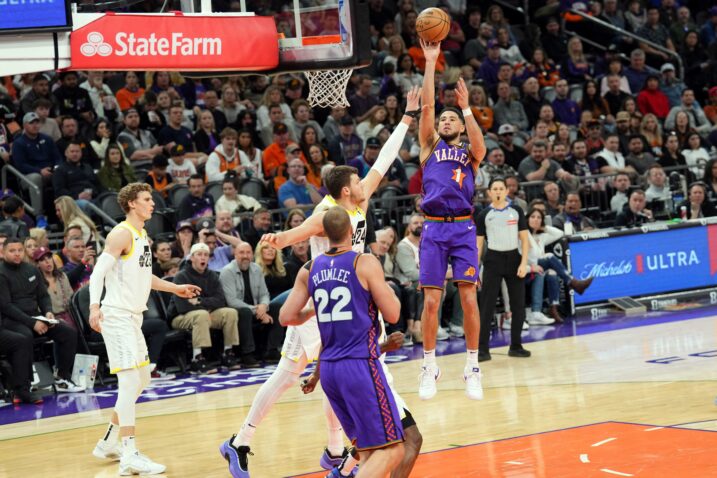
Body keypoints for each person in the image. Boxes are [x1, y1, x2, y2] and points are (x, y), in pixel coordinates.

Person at [222, 87, 424, 478]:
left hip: (337, 298)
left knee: (307, 374)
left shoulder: (358, 203)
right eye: (359, 181)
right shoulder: (325, 213)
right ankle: (274, 445)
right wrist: (273, 239)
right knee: (313, 373)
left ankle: (316, 450)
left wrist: (405, 119)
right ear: (347, 190)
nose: (368, 181)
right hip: (325, 302)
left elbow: (384, 159)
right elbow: (289, 236)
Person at [278, 207, 405, 477]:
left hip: (330, 372)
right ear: (351, 231)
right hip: (360, 367)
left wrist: (316, 310)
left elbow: (286, 316)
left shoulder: (309, 268)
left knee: (370, 452)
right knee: (394, 450)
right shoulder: (364, 262)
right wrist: (389, 294)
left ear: (323, 234)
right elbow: (392, 314)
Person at [89, 183, 200, 475]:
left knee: (142, 380)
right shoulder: (121, 233)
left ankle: (108, 443)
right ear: (131, 204)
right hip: (116, 316)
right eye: (147, 200)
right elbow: (98, 272)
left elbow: (145, 276)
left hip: (132, 317)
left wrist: (175, 287)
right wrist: (93, 307)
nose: (153, 204)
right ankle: (129, 454)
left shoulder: (142, 235)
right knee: (128, 383)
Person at [416, 40, 486, 401]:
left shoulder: (467, 153)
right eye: (443, 118)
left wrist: (467, 110)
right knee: (431, 302)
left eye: (451, 119)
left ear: (459, 125)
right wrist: (431, 62)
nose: (445, 120)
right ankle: (429, 365)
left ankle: (472, 366)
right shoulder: (429, 147)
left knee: (468, 298)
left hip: (462, 227)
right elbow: (427, 105)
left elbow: (481, 149)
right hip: (432, 227)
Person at [0, 237, 84, 392]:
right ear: (3, 252)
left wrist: (48, 312)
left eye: (20, 250)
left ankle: (61, 377)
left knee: (68, 332)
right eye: (12, 251)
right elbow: (6, 306)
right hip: (11, 320)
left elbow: (43, 296)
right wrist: (33, 323)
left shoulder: (31, 270)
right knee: (25, 336)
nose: (17, 254)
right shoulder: (2, 273)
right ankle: (26, 384)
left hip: (36, 316)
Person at [477, 178, 531, 362]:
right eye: (495, 189)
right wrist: (475, 270)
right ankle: (482, 349)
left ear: (507, 191)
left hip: (514, 259)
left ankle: (516, 346)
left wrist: (523, 263)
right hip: (493, 260)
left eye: (501, 188)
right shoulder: (484, 214)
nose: (498, 191)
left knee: (518, 306)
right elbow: (478, 245)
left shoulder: (516, 211)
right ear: (489, 192)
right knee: (487, 306)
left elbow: (524, 240)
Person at [169, 242, 242, 372]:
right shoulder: (181, 276)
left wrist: (199, 301)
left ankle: (228, 353)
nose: (203, 258)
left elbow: (220, 301)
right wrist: (205, 307)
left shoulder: (212, 275)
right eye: (199, 254)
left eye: (206, 255)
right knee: (201, 315)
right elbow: (182, 306)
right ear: (191, 258)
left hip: (206, 314)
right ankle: (197, 359)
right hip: (180, 317)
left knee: (230, 312)